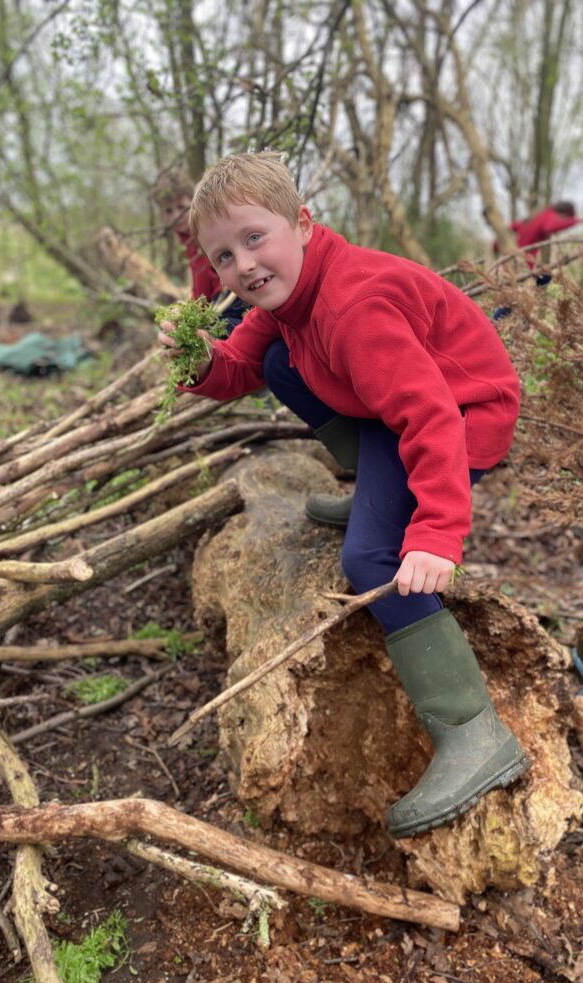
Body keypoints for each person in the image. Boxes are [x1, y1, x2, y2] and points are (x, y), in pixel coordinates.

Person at [158, 151, 529, 839]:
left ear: (302, 223)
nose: (242, 265)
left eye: (253, 238)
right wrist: (197, 359)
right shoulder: (286, 295)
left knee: (370, 561)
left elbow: (431, 418)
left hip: (463, 414)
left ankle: (475, 732)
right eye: (223, 257)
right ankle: (375, 496)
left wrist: (436, 534)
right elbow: (241, 366)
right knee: (276, 360)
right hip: (397, 415)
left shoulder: (354, 307)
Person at [151, 168, 246, 335]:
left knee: (218, 330)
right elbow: (199, 279)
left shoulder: (203, 230)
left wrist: (197, 310)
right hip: (219, 299)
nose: (176, 216)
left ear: (193, 203)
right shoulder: (185, 236)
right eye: (168, 211)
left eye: (182, 207)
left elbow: (208, 279)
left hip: (233, 294)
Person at [492, 200, 583, 320]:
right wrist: (576, 221)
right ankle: (494, 322)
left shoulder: (535, 217)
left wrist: (496, 246)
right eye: (565, 218)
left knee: (545, 278)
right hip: (522, 265)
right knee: (513, 300)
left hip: (515, 263)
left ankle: (525, 310)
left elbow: (511, 227)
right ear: (564, 214)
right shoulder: (549, 215)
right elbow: (549, 228)